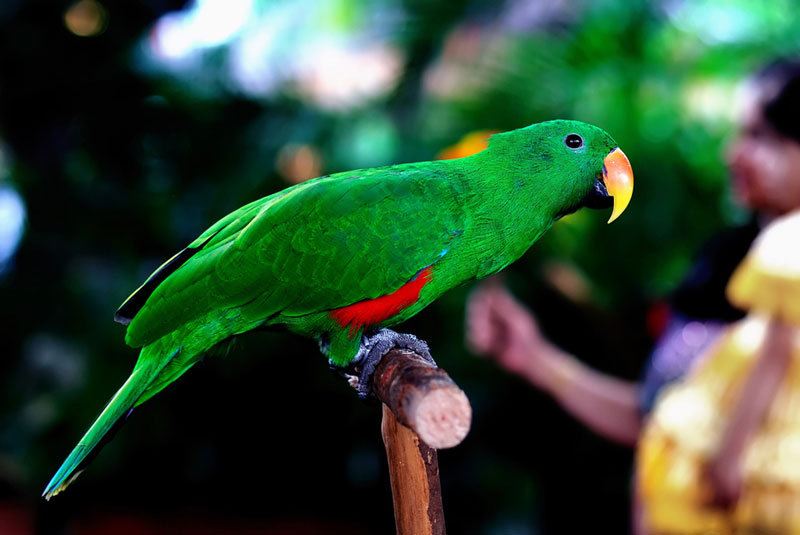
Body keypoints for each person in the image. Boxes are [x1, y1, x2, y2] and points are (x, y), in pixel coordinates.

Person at [466, 58, 800, 533]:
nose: (733, 154)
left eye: (761, 136)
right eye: (738, 134)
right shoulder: (722, 261)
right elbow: (657, 417)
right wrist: (533, 357)